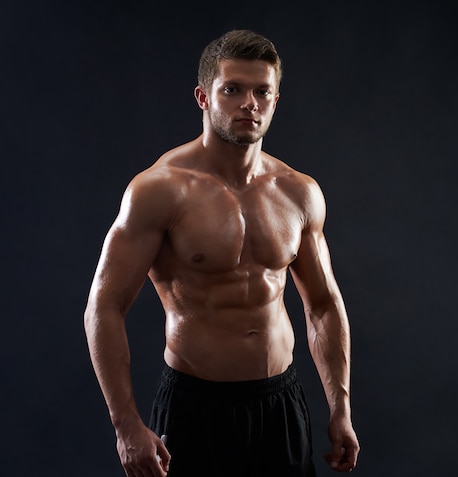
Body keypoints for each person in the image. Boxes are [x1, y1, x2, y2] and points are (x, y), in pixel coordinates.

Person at [83, 29, 359, 476]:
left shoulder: (299, 192)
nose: (249, 103)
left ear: (275, 100)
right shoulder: (158, 190)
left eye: (261, 92)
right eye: (232, 89)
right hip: (197, 408)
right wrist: (126, 424)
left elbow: (324, 306)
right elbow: (104, 307)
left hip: (281, 403)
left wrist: (340, 406)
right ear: (203, 97)